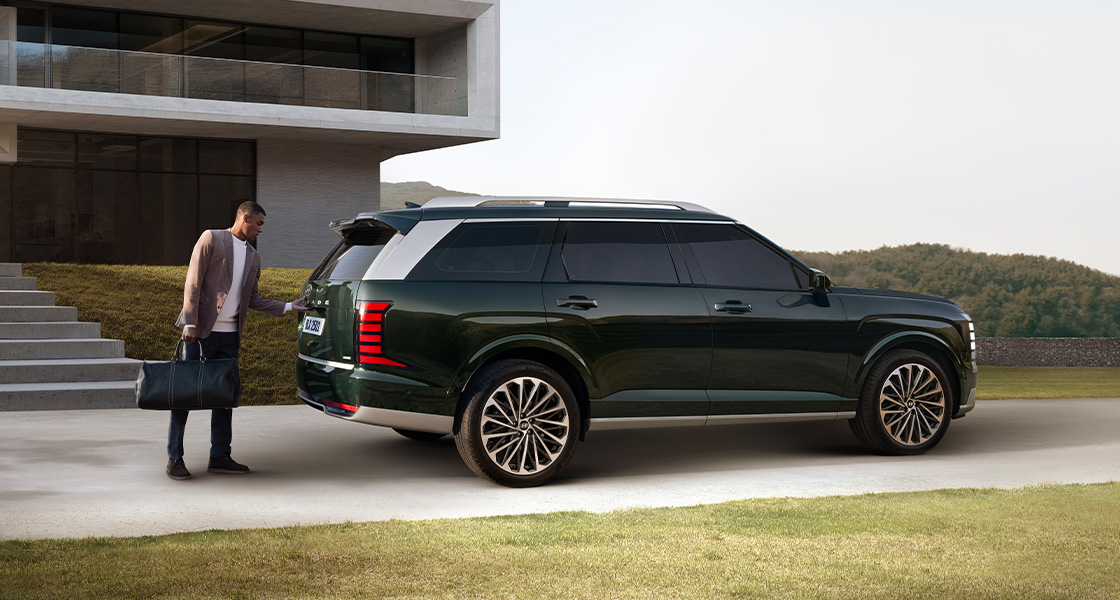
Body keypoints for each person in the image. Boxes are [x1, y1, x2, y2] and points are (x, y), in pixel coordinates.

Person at [166, 201, 310, 480]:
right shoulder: (212, 238)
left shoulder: (254, 257)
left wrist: (289, 306)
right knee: (183, 395)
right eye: (258, 223)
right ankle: (174, 457)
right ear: (244, 217)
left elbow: (252, 298)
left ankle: (219, 455)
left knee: (224, 397)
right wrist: (190, 322)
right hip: (200, 334)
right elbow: (193, 281)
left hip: (230, 337)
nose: (260, 229)